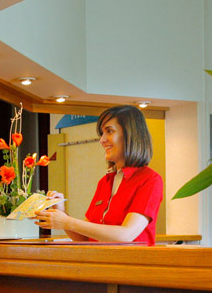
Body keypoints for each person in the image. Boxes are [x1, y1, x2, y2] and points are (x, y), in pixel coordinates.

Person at [34, 105, 163, 245]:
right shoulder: (105, 182)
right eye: (102, 133)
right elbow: (84, 238)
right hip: (99, 258)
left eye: (109, 131)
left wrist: (67, 222)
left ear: (130, 135)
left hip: (131, 260)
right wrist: (62, 213)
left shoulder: (150, 180)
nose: (102, 140)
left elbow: (126, 235)